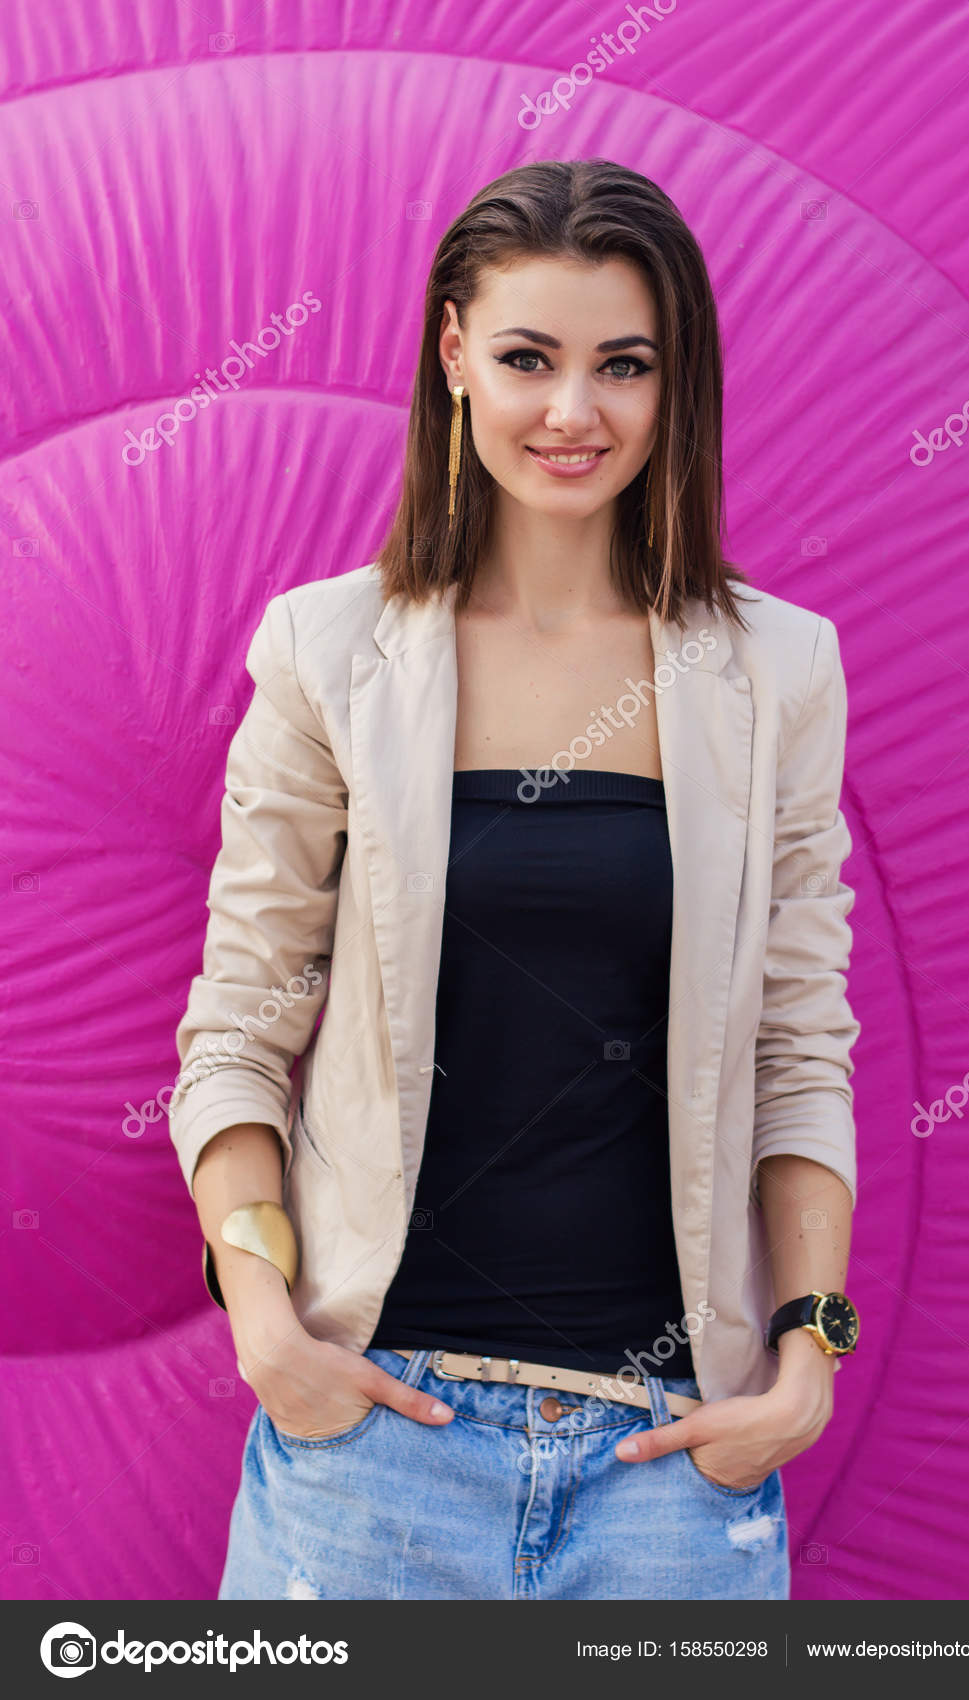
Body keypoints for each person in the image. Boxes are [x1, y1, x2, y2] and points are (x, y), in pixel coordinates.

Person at [169, 158, 861, 1602]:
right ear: (453, 356)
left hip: (670, 1472)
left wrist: (807, 1361)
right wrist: (265, 1326)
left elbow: (801, 1049)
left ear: (675, 384)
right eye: (529, 359)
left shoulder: (778, 671)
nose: (574, 412)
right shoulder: (327, 652)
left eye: (625, 366)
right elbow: (238, 1028)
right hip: (372, 1447)